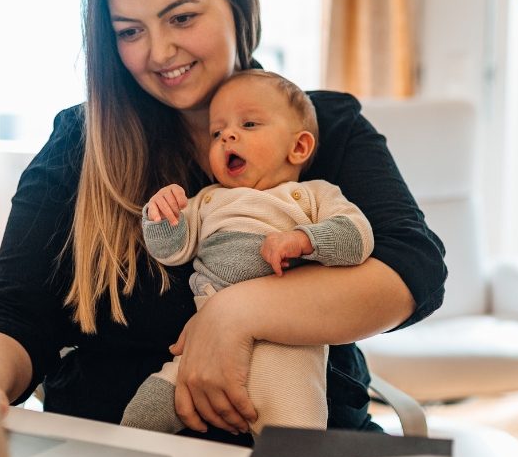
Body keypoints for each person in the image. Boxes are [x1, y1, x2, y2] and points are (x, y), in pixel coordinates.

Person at [0, 0, 447, 444]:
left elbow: (412, 269)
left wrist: (235, 313)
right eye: (130, 31)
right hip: (117, 446)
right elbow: (16, 313)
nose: (159, 51)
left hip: (299, 444)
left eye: (182, 17)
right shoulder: (80, 143)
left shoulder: (323, 127)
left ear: (236, 0)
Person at [121, 69, 374, 435]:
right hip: (205, 344)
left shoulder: (315, 194)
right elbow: (171, 252)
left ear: (299, 147)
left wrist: (305, 240)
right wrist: (161, 215)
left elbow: (357, 237)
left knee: (294, 443)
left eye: (249, 124)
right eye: (216, 133)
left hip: (287, 346)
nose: (228, 136)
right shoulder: (208, 199)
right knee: (144, 415)